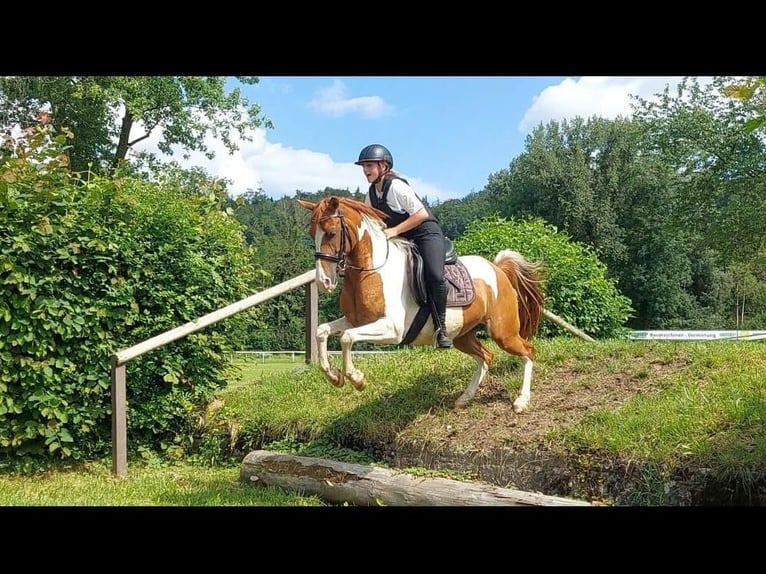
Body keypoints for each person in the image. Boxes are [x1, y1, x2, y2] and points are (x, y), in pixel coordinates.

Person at [355, 143, 453, 349]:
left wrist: (394, 231)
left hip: (425, 232)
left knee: (435, 274)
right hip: (402, 238)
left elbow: (421, 214)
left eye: (369, 165)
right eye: (364, 166)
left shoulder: (397, 186)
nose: (365, 170)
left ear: (384, 166)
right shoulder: (371, 195)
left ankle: (441, 328)